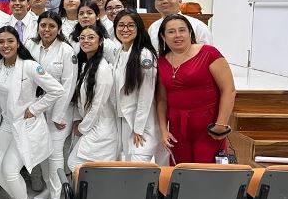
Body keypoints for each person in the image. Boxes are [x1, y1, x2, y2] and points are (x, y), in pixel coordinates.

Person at [0, 26, 64, 199]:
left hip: (25, 124)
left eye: (10, 41)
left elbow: (57, 89)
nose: (5, 45)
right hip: (7, 123)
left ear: (18, 43)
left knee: (9, 169)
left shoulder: (29, 66)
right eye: (1, 41)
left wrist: (35, 108)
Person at [156, 14, 236, 164]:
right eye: (171, 31)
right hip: (178, 129)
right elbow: (161, 99)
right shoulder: (161, 61)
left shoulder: (209, 53)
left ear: (190, 32)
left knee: (206, 171)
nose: (177, 35)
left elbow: (228, 90)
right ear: (163, 36)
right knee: (181, 171)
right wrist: (163, 130)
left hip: (208, 128)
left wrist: (221, 124)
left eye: (182, 30)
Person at [25, 12, 77, 199]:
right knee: (42, 151)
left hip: (59, 110)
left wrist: (58, 115)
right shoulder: (31, 46)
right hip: (37, 107)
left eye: (51, 26)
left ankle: (56, 198)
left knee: (55, 154)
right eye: (43, 25)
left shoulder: (66, 50)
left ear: (59, 29)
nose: (46, 30)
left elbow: (68, 85)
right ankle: (48, 188)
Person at [112, 10, 160, 162]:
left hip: (141, 123)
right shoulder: (119, 51)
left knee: (137, 165)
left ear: (138, 28)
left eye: (130, 25)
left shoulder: (145, 55)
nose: (125, 29)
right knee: (127, 164)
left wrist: (139, 128)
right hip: (124, 119)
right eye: (121, 25)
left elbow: (147, 94)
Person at [68, 24, 118, 170]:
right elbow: (80, 97)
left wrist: (82, 128)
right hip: (91, 124)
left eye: (91, 37)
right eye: (82, 38)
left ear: (100, 41)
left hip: (101, 127)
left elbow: (98, 105)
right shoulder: (86, 65)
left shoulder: (103, 69)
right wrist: (77, 119)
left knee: (76, 165)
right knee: (80, 168)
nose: (86, 41)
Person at [147, 0, 213, 52]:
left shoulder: (198, 26)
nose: (165, 1)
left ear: (180, 2)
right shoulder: (153, 27)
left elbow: (208, 54)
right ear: (155, 3)